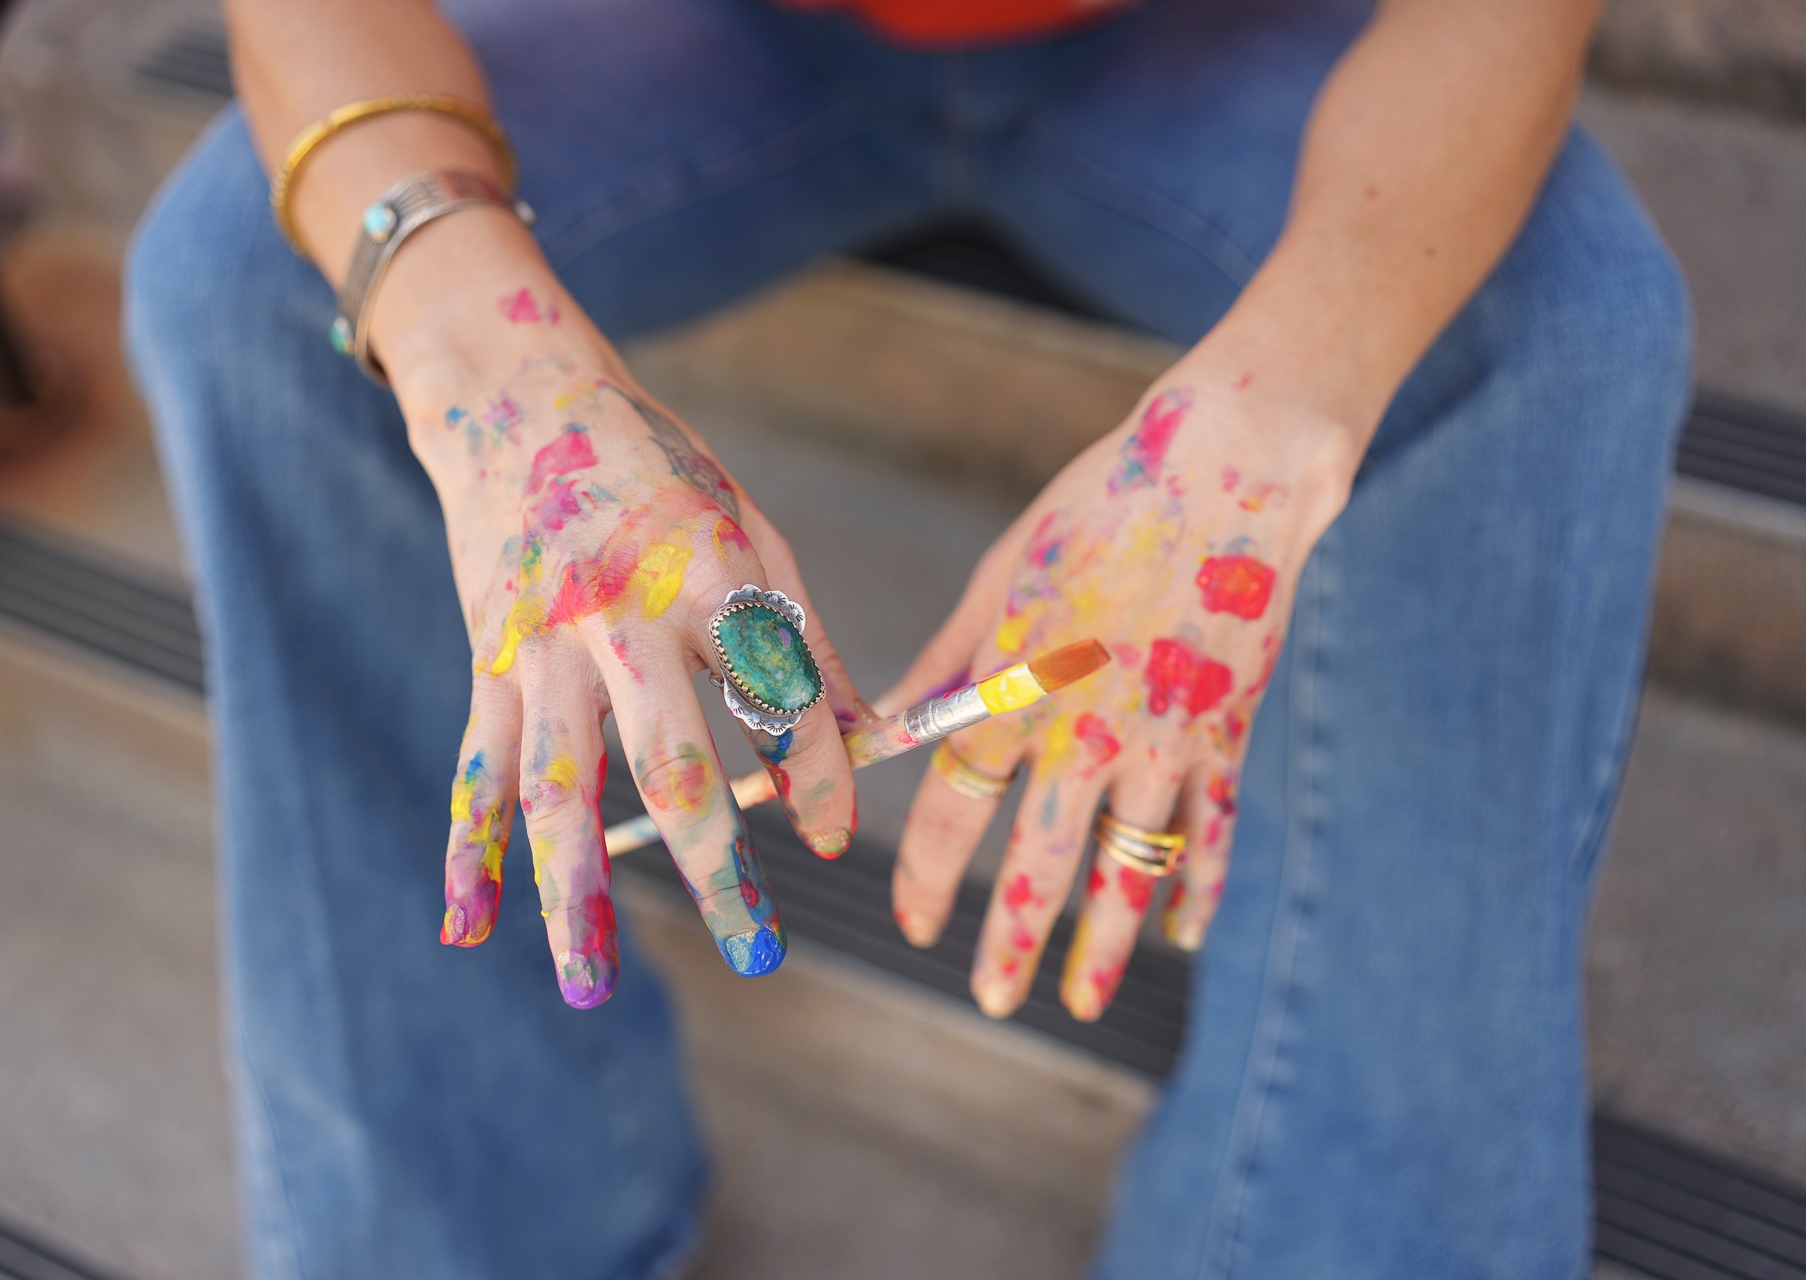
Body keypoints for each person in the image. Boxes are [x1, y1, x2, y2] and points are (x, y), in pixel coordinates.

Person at [122, 0, 1691, 1274]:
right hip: (714, 36)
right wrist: (487, 364)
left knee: (1559, 329)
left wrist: (1295, 395)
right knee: (240, 271)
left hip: (1221, 39)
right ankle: (468, 1227)